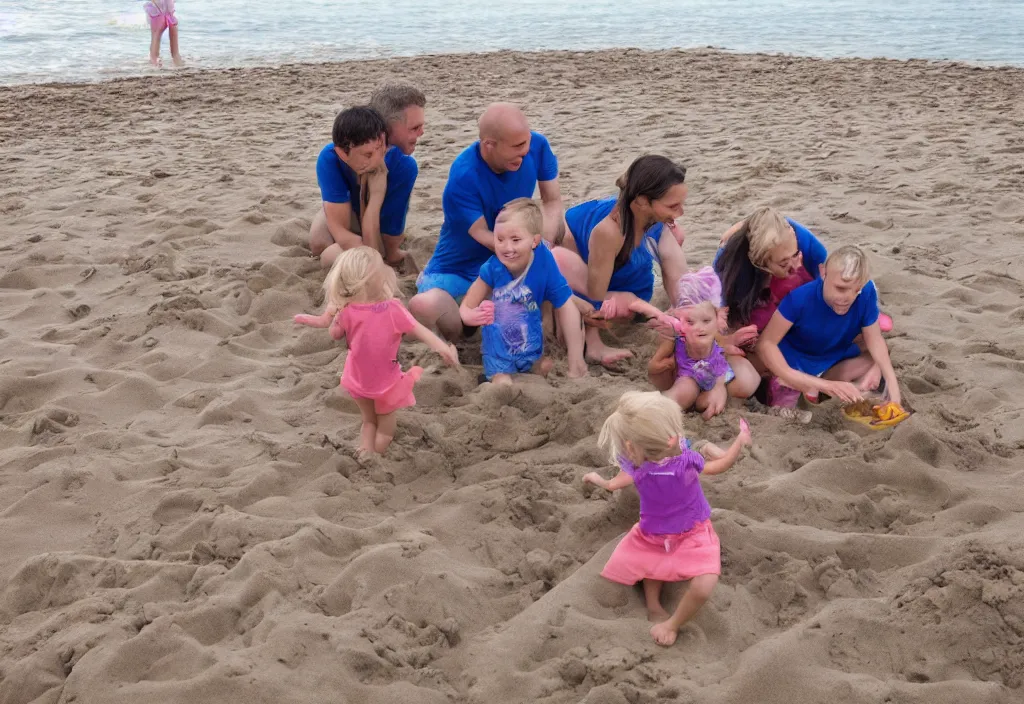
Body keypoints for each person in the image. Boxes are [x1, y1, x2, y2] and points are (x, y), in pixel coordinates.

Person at [583, 391, 751, 647]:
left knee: (704, 584)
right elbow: (615, 482)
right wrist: (601, 481)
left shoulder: (685, 461)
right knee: (653, 563)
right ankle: (653, 605)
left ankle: (672, 623)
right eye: (675, 431)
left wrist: (739, 443)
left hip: (694, 530)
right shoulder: (639, 468)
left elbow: (718, 466)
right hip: (655, 533)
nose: (680, 436)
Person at [409, 103, 564, 341]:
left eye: (527, 142)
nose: (525, 151)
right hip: (459, 269)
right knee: (428, 306)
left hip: (510, 256)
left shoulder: (537, 146)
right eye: (517, 146)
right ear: (489, 145)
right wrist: (527, 250)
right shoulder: (464, 175)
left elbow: (552, 201)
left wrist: (545, 243)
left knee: (564, 241)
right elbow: (482, 234)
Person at [294, 247, 459, 456]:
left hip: (358, 378)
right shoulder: (393, 309)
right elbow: (421, 332)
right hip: (385, 384)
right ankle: (375, 456)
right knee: (386, 431)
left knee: (368, 421)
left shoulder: (347, 311)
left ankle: (364, 451)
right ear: (377, 281)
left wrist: (333, 316)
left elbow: (335, 334)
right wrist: (444, 348)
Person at [714, 206, 894, 370]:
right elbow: (717, 318)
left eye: (796, 254)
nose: (795, 265)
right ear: (761, 263)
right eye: (784, 263)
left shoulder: (797, 236)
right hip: (762, 311)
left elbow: (830, 281)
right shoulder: (727, 270)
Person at [550, 155, 688, 367]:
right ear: (642, 202)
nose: (680, 212)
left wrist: (686, 316)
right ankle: (593, 345)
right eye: (672, 206)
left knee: (676, 238)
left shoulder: (655, 221)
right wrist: (624, 299)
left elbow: (680, 281)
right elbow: (596, 298)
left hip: (617, 261)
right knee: (618, 303)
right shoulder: (610, 231)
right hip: (574, 255)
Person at [756, 246, 903, 408]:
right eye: (840, 288)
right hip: (796, 364)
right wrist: (824, 385)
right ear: (823, 273)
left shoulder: (866, 292)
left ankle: (834, 388)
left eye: (857, 290)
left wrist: (893, 387)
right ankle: (820, 388)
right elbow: (765, 344)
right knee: (789, 406)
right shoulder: (799, 299)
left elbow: (874, 339)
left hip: (832, 361)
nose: (848, 297)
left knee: (877, 358)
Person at [459, 199, 587, 384]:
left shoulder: (544, 262)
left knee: (545, 367)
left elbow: (565, 302)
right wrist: (471, 316)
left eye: (516, 240)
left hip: (529, 347)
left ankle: (576, 364)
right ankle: (491, 378)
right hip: (499, 353)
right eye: (499, 239)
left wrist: (576, 360)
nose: (507, 247)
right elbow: (467, 306)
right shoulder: (492, 268)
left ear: (535, 241)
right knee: (503, 384)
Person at [309, 88, 425, 269]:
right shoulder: (331, 157)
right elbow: (344, 235)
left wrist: (376, 196)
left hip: (379, 222)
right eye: (415, 128)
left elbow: (386, 247)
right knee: (319, 245)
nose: (421, 133)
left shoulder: (404, 166)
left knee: (340, 255)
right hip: (346, 211)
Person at [647, 267, 760, 419]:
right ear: (679, 321)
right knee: (685, 392)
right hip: (686, 376)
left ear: (717, 319)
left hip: (711, 376)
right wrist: (664, 366)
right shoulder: (674, 338)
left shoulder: (715, 337)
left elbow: (720, 364)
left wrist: (719, 388)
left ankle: (704, 402)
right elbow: (654, 368)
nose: (699, 328)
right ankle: (655, 410)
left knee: (711, 400)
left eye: (706, 321)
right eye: (690, 322)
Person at [143, 0, 182, 66]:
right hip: (168, 13)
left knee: (155, 38)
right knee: (175, 51)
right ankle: (178, 64)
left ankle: (154, 63)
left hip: (158, 12)